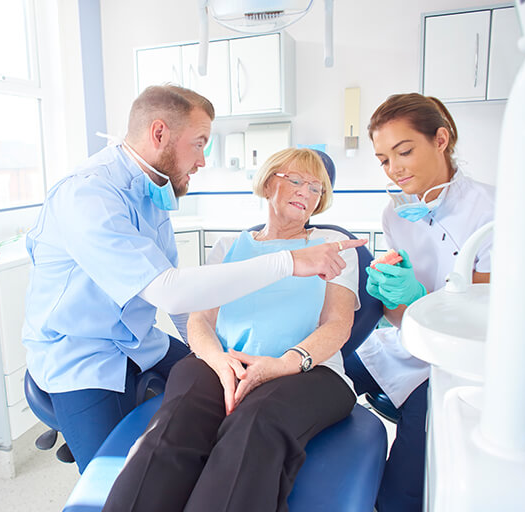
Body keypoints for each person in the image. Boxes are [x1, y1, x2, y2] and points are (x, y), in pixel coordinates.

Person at [22, 85, 366, 472]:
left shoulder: (153, 195)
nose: (203, 160)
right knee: (115, 474)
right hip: (80, 352)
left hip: (139, 340)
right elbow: (171, 292)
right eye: (199, 144)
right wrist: (287, 262)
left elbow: (192, 312)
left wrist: (213, 353)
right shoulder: (87, 196)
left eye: (316, 187)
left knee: (203, 393)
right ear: (159, 134)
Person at [102, 148, 361, 512]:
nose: (307, 192)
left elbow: (338, 325)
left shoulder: (334, 246)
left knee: (255, 424)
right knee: (170, 429)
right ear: (269, 182)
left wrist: (282, 364)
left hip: (307, 371)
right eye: (297, 180)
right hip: (224, 363)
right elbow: (200, 320)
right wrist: (218, 361)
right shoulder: (229, 246)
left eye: (316, 188)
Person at [343, 92, 495, 511]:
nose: (394, 169)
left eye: (403, 151)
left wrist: (422, 298)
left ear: (441, 139)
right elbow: (398, 319)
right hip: (407, 343)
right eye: (384, 160)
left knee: (404, 491)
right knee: (326, 372)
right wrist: (392, 296)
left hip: (458, 361)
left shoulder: (491, 211)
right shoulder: (395, 217)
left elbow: (484, 320)